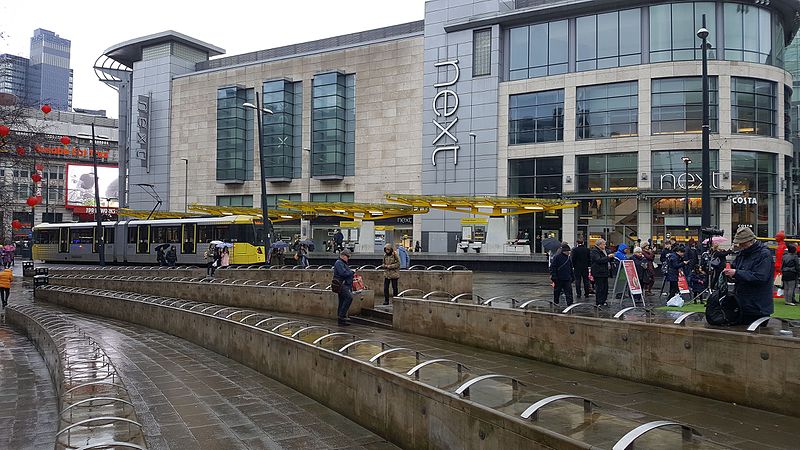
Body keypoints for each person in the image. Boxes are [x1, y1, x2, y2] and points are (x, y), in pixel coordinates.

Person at [723, 227, 774, 323]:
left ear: (750, 240)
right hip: (741, 304)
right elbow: (736, 270)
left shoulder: (764, 254)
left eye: (742, 243)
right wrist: (730, 274)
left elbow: (760, 277)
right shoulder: (742, 253)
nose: (740, 245)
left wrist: (736, 273)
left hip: (757, 307)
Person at [333, 249, 355, 326]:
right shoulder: (339, 263)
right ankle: (342, 316)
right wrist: (351, 272)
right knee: (349, 298)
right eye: (347, 256)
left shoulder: (343, 263)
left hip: (344, 284)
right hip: (342, 285)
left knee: (342, 300)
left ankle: (341, 319)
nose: (348, 258)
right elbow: (343, 273)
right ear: (342, 256)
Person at [590, 239, 613, 306]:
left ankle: (603, 300)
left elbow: (607, 259)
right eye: (603, 244)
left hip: (605, 271)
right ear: (599, 245)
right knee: (600, 287)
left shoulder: (605, 251)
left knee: (605, 288)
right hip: (598, 272)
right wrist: (608, 257)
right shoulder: (594, 251)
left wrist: (611, 257)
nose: (605, 245)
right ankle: (599, 301)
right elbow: (598, 260)